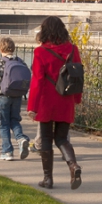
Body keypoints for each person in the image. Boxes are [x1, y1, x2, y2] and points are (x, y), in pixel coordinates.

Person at [27, 15, 83, 189]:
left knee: (45, 139)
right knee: (61, 138)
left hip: (46, 99)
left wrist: (32, 107)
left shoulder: (40, 52)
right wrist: (77, 98)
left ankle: (48, 179)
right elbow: (79, 77)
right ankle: (73, 165)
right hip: (65, 99)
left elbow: (37, 81)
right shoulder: (73, 50)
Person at [0, 36, 31, 161]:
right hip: (18, 95)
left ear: (0, 48)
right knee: (15, 120)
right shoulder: (21, 62)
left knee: (3, 123)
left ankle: (7, 151)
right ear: (13, 48)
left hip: (3, 96)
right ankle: (20, 138)